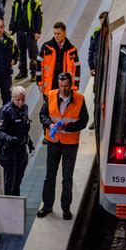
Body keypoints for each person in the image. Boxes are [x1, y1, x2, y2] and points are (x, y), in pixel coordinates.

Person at [36, 72, 89, 220]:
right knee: (49, 176)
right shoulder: (51, 95)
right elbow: (42, 115)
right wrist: (50, 124)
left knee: (67, 178)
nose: (63, 89)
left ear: (71, 85)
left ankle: (66, 208)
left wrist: (66, 127)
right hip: (53, 142)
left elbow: (83, 121)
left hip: (70, 144)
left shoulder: (79, 99)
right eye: (61, 86)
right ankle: (47, 206)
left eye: (66, 86)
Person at [36, 21, 81, 144]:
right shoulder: (46, 47)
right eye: (55, 33)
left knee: (61, 111)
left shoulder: (72, 50)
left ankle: (61, 130)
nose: (56, 36)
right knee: (47, 112)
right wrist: (40, 84)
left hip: (65, 89)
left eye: (59, 34)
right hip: (49, 87)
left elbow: (77, 69)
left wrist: (75, 87)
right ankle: (47, 135)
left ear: (64, 33)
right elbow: (39, 66)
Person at [0, 86, 35, 196]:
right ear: (12, 98)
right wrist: (11, 139)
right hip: (9, 151)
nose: (21, 102)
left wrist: (30, 143)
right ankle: (8, 203)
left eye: (23, 99)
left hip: (21, 150)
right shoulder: (6, 111)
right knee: (9, 182)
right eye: (18, 99)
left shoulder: (24, 108)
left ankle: (16, 202)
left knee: (18, 179)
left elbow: (24, 129)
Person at [9, 0, 43, 82]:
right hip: (20, 32)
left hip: (30, 33)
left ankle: (34, 73)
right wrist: (11, 28)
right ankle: (23, 72)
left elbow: (39, 18)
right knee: (21, 53)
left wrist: (37, 31)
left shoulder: (34, 2)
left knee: (33, 54)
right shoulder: (15, 1)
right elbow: (13, 16)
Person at [87, 11, 108, 130]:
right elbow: (91, 51)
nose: (102, 26)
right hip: (99, 71)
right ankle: (96, 120)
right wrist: (91, 67)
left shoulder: (113, 34)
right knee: (97, 95)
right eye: (101, 23)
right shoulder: (96, 33)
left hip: (108, 71)